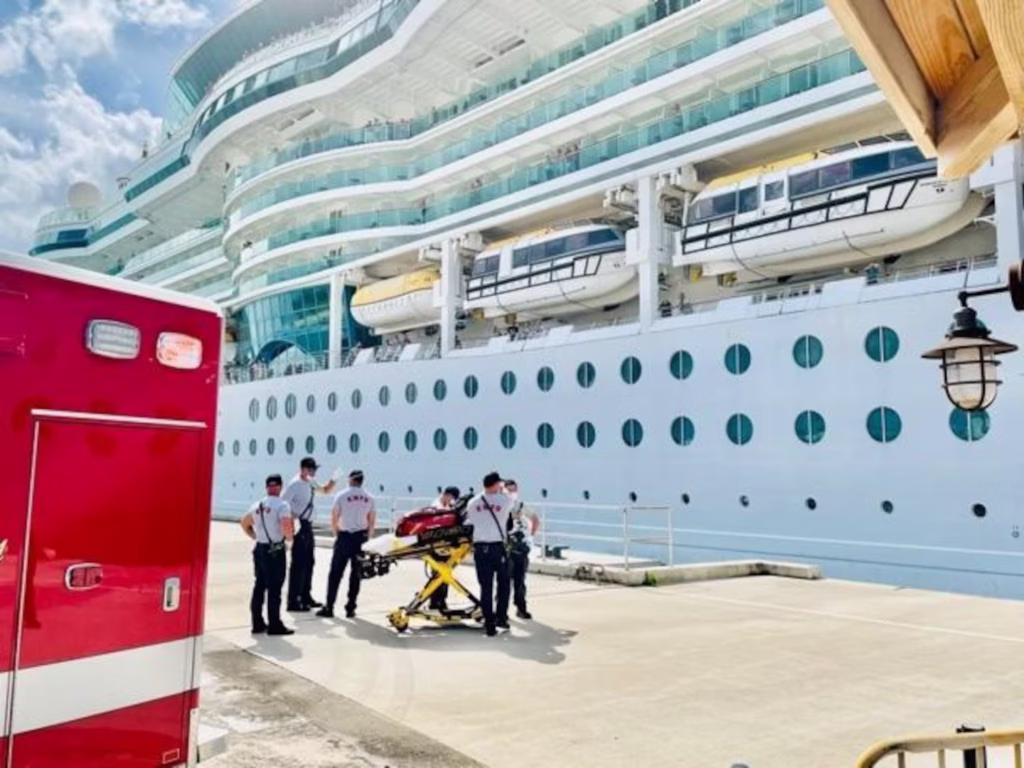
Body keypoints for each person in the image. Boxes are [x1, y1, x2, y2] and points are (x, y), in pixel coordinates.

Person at [240, 474, 296, 635]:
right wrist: (290, 541)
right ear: (279, 487)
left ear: (267, 487)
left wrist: (255, 536)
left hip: (260, 549)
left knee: (259, 586)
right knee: (274, 589)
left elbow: (244, 523)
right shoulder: (282, 505)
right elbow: (286, 525)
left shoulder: (257, 505)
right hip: (275, 551)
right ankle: (274, 624)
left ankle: (257, 623)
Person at [317, 470, 376, 619]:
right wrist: (367, 538)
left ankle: (329, 607)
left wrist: (337, 534)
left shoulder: (342, 496)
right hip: (360, 538)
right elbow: (371, 521)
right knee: (356, 575)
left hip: (344, 537)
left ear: (351, 479)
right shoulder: (369, 498)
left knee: (335, 574)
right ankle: (350, 608)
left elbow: (334, 517)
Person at [283, 457, 337, 612]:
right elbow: (283, 504)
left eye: (315, 469)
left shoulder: (310, 482)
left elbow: (325, 490)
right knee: (298, 565)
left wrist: (334, 479)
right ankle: (293, 601)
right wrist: (292, 523)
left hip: (308, 527)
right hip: (300, 526)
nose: (313, 472)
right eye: (311, 469)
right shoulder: (294, 484)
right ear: (303, 469)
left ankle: (306, 596)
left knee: (309, 563)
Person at [466, 472, 511, 636]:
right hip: (497, 548)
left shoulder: (472, 502)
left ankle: (489, 625)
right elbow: (509, 498)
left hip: (480, 548)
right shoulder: (505, 500)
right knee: (504, 584)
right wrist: (503, 489)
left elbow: (471, 521)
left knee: (486, 588)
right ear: (495, 484)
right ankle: (501, 617)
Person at [503, 479, 539, 620]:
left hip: (521, 546)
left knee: (520, 581)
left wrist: (529, 536)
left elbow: (535, 519)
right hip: (506, 548)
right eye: (509, 490)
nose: (512, 492)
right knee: (504, 581)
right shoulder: (501, 506)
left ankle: (521, 608)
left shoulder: (520, 505)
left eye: (514, 490)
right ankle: (501, 611)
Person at [428, 486, 461, 612]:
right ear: (447, 495)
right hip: (437, 545)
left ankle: (440, 601)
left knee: (444, 573)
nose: (452, 501)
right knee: (439, 574)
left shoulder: (446, 506)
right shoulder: (437, 506)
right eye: (452, 498)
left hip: (444, 545)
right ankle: (436, 602)